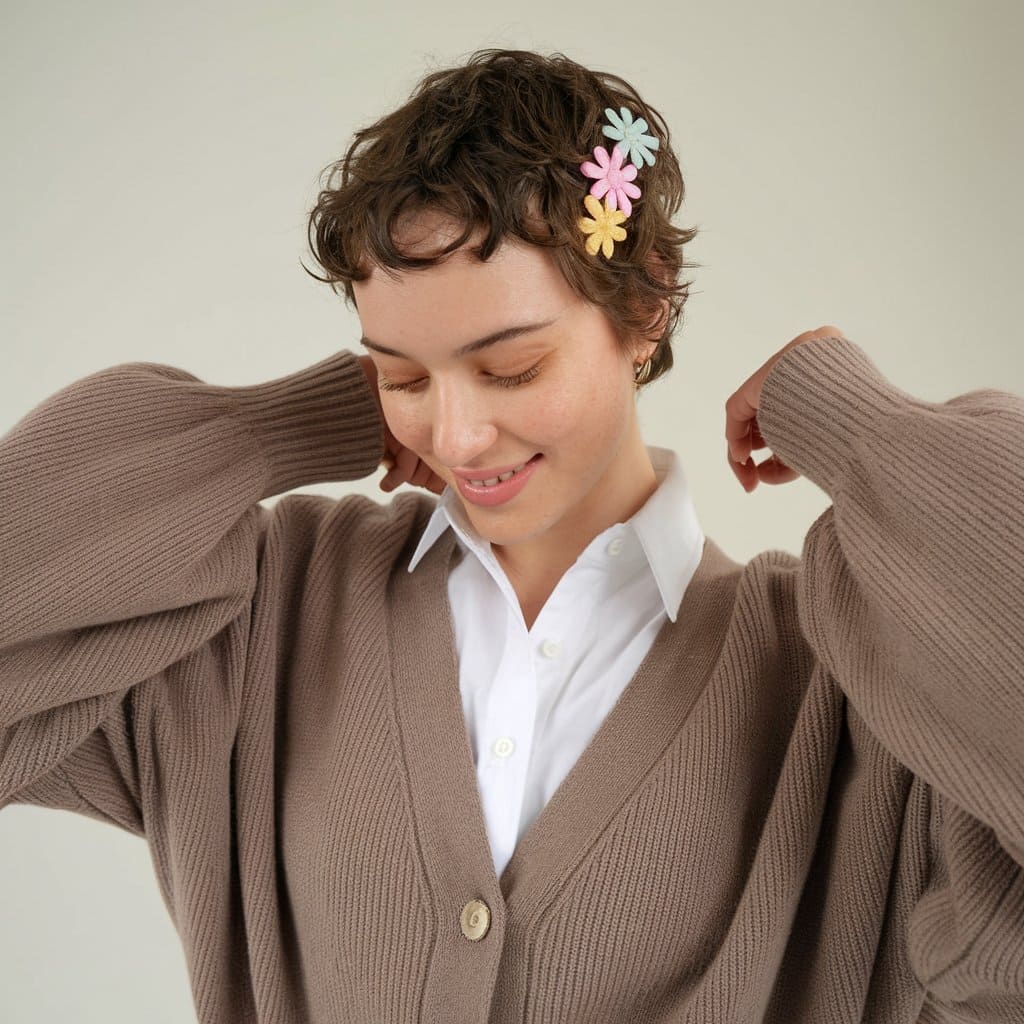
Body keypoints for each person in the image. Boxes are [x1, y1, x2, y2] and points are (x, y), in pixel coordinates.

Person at [1, 47, 1022, 1024]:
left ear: (646, 305)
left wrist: (858, 429)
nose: (452, 434)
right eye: (401, 376)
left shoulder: (842, 688)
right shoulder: (254, 618)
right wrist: (276, 427)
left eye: (510, 366)